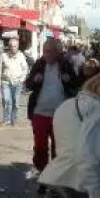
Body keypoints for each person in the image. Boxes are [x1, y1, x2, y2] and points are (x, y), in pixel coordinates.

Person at [23, 38, 79, 182]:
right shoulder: (39, 64)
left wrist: (68, 80)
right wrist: (34, 80)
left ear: (57, 52)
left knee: (58, 147)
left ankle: (55, 175)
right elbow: (28, 84)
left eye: (50, 52)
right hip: (40, 112)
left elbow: (76, 83)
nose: (46, 55)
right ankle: (41, 171)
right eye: (45, 51)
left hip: (60, 114)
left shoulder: (65, 65)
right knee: (40, 146)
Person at [0, 37, 29, 125]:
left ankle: (14, 118)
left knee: (15, 102)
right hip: (6, 81)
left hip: (17, 82)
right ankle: (6, 119)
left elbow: (25, 69)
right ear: (9, 46)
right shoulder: (4, 56)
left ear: (18, 47)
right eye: (11, 46)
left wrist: (21, 80)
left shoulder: (21, 56)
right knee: (7, 100)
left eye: (15, 46)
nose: (13, 48)